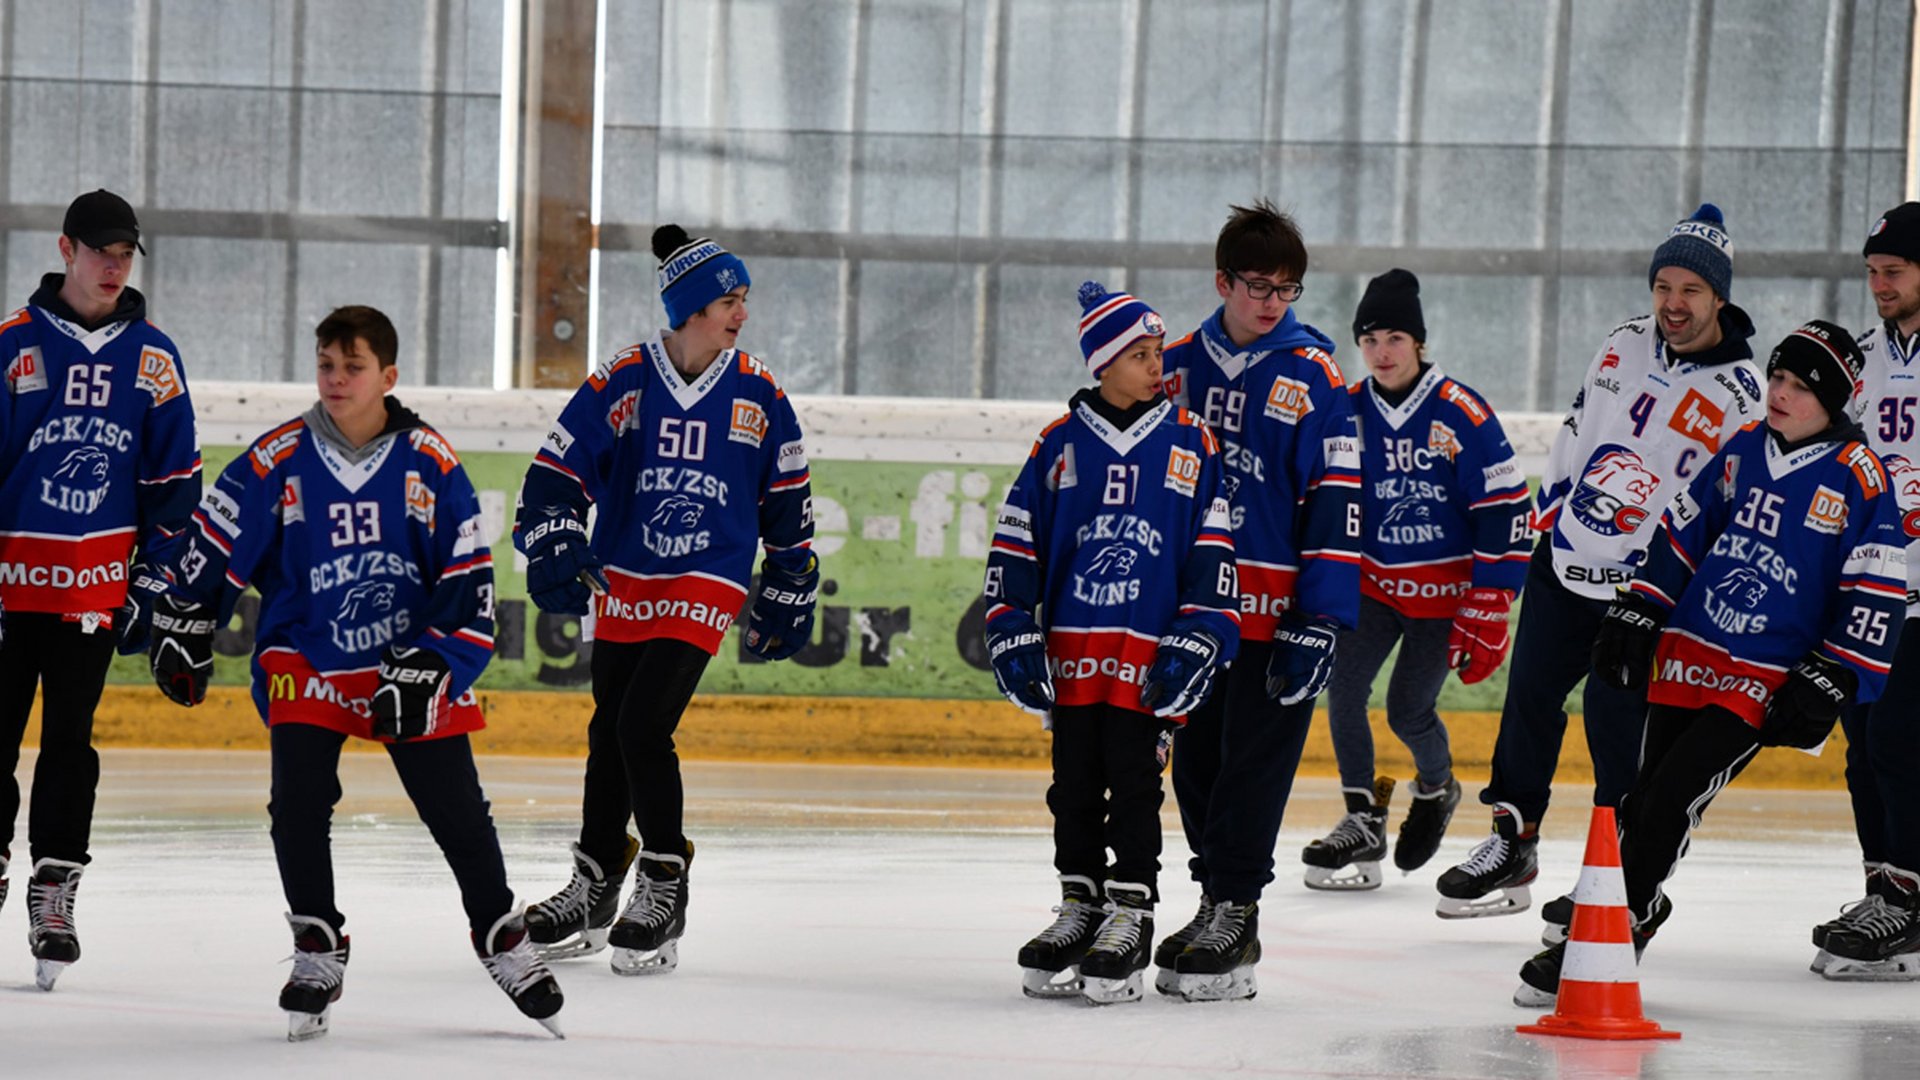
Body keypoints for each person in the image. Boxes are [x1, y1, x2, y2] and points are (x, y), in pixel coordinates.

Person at [149, 305, 562, 1040]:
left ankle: (500, 933)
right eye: (327, 365)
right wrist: (184, 617)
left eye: (354, 367)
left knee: (458, 812)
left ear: (388, 376)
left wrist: (436, 658)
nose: (337, 380)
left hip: (406, 662)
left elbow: (469, 580)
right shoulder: (279, 458)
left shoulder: (428, 461)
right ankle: (318, 943)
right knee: (298, 803)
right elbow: (213, 540)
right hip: (305, 658)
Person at [1513, 321, 1905, 1004]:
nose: (1779, 393)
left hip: (1765, 675)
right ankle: (1634, 903)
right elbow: (1684, 531)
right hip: (1692, 652)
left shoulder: (1859, 478)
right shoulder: (1743, 450)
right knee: (1645, 788)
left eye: (1798, 386)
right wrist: (1641, 608)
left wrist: (1835, 670)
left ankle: (1618, 925)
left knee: (1674, 794)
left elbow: (1876, 585)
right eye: (1776, 379)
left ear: (1834, 400)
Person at [1436, 204, 1764, 921]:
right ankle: (1511, 838)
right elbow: (1577, 434)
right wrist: (1549, 533)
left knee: (1619, 739)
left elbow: (1717, 512)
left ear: (1719, 299)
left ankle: (1608, 871)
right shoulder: (1621, 343)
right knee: (1527, 706)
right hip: (1565, 564)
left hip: (1640, 598)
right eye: (1663, 287)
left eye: (1691, 292)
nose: (1673, 305)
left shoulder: (1745, 397)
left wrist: (1663, 593)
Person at [515, 225, 817, 976]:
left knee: (643, 725)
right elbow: (558, 468)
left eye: (743, 299)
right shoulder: (623, 379)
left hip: (706, 579)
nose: (740, 313)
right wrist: (554, 531)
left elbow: (786, 490)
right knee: (608, 727)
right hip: (624, 578)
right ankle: (594, 881)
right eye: (727, 300)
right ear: (688, 307)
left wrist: (789, 574)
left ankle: (664, 877)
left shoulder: (758, 391)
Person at [986, 282, 1239, 1005]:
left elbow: (1212, 547)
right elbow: (1016, 544)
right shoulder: (1058, 446)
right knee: (1072, 787)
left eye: (1158, 352)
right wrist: (1010, 627)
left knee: (1134, 784)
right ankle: (1080, 903)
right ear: (1102, 363)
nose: (1155, 365)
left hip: (1147, 660)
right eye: (1138, 354)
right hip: (1073, 658)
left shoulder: (1193, 441)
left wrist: (1200, 635)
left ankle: (1131, 908)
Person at [1157, 199, 1363, 1000]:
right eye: (1257, 284)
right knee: (1197, 763)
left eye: (1287, 287)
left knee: (1256, 762)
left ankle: (1237, 909)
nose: (1272, 300)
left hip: (1277, 616)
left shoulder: (1316, 378)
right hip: (1192, 612)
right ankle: (1215, 896)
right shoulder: (1170, 368)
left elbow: (1337, 498)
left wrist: (1322, 619)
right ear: (1222, 282)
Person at [0, 189, 200, 990]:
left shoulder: (153, 358)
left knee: (70, 743)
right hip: (13, 588)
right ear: (66, 248)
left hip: (92, 591)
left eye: (126, 252)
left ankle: (55, 887)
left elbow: (174, 484)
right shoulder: (13, 347)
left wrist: (151, 581)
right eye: (100, 249)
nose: (114, 264)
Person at [1301, 270, 1530, 891]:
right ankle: (1363, 815)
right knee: (1342, 692)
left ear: (1420, 343)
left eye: (1395, 336)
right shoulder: (1346, 409)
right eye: (1370, 338)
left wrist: (1491, 599)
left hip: (1443, 598)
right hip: (1374, 589)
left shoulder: (1461, 411)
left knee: (1408, 709)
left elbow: (1507, 506)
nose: (1382, 350)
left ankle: (1437, 786)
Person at [1810, 202, 1920, 978]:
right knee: (1861, 753)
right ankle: (1883, 892)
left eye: (1894, 272)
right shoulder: (1862, 360)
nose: (1878, 284)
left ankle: (1909, 905)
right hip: (1863, 590)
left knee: (1898, 745)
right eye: (1873, 271)